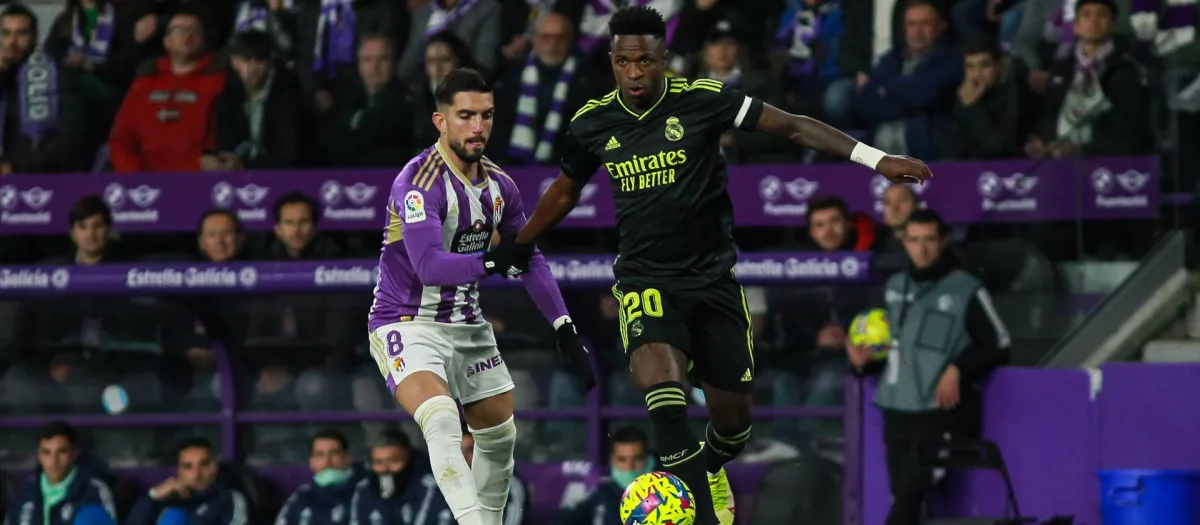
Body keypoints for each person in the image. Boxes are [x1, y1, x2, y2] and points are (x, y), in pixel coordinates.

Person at [486, 6, 932, 525]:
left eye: (644, 61)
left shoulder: (703, 99)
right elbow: (565, 190)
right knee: (665, 399)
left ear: (664, 58)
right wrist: (521, 242)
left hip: (712, 280)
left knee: (734, 424)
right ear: (612, 61)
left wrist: (877, 160)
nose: (634, 73)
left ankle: (712, 464)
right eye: (623, 62)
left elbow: (791, 127)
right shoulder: (593, 121)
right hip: (645, 278)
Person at [365, 67, 593, 525]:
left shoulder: (500, 186)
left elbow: (528, 257)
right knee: (441, 419)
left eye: (486, 115)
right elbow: (429, 266)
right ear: (440, 121)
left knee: (500, 437)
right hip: (407, 322)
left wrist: (564, 327)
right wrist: (492, 261)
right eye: (466, 115)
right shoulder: (418, 182)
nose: (478, 126)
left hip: (468, 325)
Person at [845, 209, 1010, 525]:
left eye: (930, 240)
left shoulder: (967, 289)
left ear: (943, 241)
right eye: (914, 240)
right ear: (904, 243)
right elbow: (897, 350)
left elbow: (999, 344)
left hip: (940, 416)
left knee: (907, 501)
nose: (921, 249)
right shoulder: (894, 287)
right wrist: (864, 364)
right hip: (897, 412)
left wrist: (958, 369)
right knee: (905, 501)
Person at [5, 422, 117, 525]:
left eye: (62, 452)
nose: (54, 461)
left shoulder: (94, 491)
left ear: (74, 453)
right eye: (47, 452)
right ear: (39, 455)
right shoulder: (26, 490)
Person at [126, 437, 250, 525]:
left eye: (204, 464)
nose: (196, 474)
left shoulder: (229, 498)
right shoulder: (165, 499)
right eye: (188, 466)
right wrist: (152, 496)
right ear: (179, 471)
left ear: (215, 467)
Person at [349, 430, 453, 525]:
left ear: (409, 460)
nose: (385, 468)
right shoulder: (364, 489)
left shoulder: (433, 489)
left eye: (394, 461)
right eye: (378, 462)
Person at [555, 426, 653, 525]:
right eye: (622, 459)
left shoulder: (660, 495)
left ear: (649, 460)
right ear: (612, 461)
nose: (630, 467)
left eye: (637, 459)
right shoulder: (601, 494)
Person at [275, 429, 364, 525]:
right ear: (312, 462)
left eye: (334, 453)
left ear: (348, 457)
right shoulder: (300, 497)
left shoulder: (366, 493)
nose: (327, 461)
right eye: (320, 455)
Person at [460, 421, 529, 525]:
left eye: (470, 450)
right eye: (460, 452)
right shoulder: (448, 483)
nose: (464, 457)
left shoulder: (509, 485)